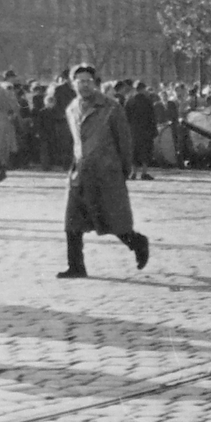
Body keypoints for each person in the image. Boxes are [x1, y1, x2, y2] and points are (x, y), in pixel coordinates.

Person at [57, 65, 150, 278]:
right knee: (72, 222)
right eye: (79, 81)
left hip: (105, 173)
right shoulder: (71, 108)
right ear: (73, 84)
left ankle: (138, 243)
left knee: (114, 221)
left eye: (88, 80)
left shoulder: (111, 107)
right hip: (80, 173)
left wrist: (123, 170)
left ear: (95, 82)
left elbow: (124, 141)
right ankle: (76, 266)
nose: (84, 85)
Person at [125, 81, 158, 180]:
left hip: (133, 130)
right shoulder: (147, 101)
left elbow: (126, 117)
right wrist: (154, 130)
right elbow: (152, 117)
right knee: (145, 152)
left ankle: (133, 173)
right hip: (146, 130)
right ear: (143, 89)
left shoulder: (129, 101)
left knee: (134, 152)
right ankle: (144, 172)